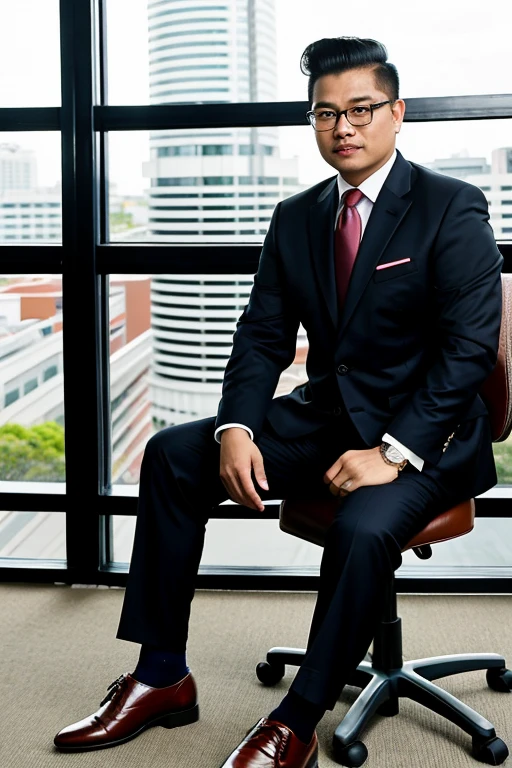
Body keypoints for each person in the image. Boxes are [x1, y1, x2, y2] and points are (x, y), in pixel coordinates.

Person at [53, 37, 503, 768]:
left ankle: (297, 715)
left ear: (397, 113)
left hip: (430, 436)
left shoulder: (451, 207)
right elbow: (262, 336)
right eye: (326, 114)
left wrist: (392, 453)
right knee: (174, 456)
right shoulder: (297, 217)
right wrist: (237, 426)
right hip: (327, 419)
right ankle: (161, 675)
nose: (344, 128)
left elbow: (468, 353)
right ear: (313, 123)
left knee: (362, 525)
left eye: (361, 110)